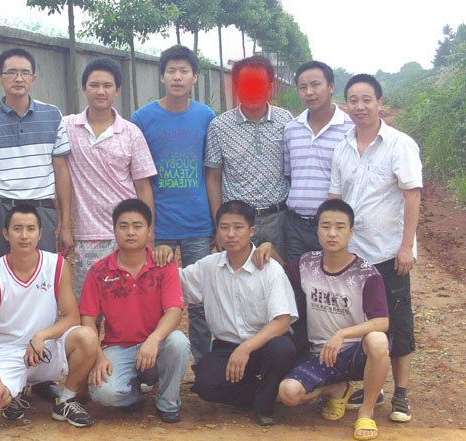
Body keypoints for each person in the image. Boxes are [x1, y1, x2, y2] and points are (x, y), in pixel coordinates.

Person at [152, 200, 298, 426]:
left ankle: (265, 406)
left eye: (238, 227)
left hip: (265, 345)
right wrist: (162, 258)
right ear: (217, 231)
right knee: (205, 383)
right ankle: (264, 392)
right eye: (224, 227)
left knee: (283, 348)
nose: (230, 234)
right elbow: (173, 283)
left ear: (251, 231)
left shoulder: (270, 269)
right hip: (227, 346)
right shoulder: (208, 266)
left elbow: (282, 322)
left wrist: (246, 348)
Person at [255, 199, 390, 440]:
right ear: (317, 230)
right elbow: (282, 274)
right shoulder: (307, 264)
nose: (332, 233)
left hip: (357, 353)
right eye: (325, 226)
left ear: (351, 232)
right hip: (321, 356)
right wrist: (269, 248)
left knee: (378, 340)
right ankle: (335, 389)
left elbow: (382, 322)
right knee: (288, 393)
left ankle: (366, 412)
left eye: (340, 227)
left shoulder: (366, 274)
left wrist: (342, 334)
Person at [330, 74, 422, 422]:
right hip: (355, 254)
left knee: (397, 321)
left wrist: (406, 246)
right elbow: (336, 199)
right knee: (361, 322)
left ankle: (401, 393)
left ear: (379, 103)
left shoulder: (400, 145)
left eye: (367, 99)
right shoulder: (342, 148)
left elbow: (412, 196)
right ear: (346, 105)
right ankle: (373, 386)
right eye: (353, 100)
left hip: (388, 253)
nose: (360, 106)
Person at [0, 205, 97, 427]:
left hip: (44, 348)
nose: (24, 235)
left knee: (87, 337)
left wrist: (41, 335)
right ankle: (15, 391)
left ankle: (66, 401)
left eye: (30, 229)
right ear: (6, 234)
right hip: (8, 351)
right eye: (17, 229)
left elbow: (72, 317)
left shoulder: (56, 265)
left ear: (40, 234)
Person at [131, 45, 215, 368]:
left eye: (184, 71)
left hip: (198, 224)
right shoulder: (143, 118)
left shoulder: (206, 117)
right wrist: (147, 226)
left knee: (200, 299)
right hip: (159, 225)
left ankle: (203, 366)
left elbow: (212, 172)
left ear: (195, 77)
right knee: (154, 297)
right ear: (162, 76)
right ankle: (152, 366)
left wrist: (216, 222)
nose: (177, 77)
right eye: (171, 71)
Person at [79, 199, 190, 423]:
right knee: (105, 394)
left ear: (149, 231)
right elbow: (88, 319)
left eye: (137, 226)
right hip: (118, 347)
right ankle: (133, 395)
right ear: (114, 230)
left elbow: (174, 312)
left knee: (178, 342)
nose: (130, 232)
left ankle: (167, 402)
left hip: (156, 346)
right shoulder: (99, 271)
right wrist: (98, 357)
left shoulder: (163, 266)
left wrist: (154, 339)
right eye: (124, 226)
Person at [0, 47, 73, 269]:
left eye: (25, 72)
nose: (18, 78)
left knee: (43, 277)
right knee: (1, 278)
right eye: (11, 72)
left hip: (41, 210)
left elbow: (62, 171)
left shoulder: (52, 116)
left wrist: (65, 226)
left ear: (33, 78)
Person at [63, 57, 156, 301]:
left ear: (117, 90)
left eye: (107, 85)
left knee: (129, 303)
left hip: (128, 233)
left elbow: (143, 187)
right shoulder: (66, 127)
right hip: (88, 235)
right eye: (94, 85)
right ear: (84, 88)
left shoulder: (131, 133)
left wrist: (149, 231)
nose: (101, 91)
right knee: (89, 306)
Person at [205, 56, 293, 262]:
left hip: (278, 219)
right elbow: (213, 178)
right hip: (237, 223)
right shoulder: (219, 126)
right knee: (238, 275)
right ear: (235, 86)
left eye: (259, 84)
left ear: (270, 86)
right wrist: (220, 225)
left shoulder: (286, 121)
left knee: (280, 273)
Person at [283, 61, 354, 262]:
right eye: (303, 87)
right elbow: (290, 175)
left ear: (331, 86)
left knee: (331, 278)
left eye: (315, 85)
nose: (309, 92)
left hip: (332, 227)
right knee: (295, 278)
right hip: (295, 226)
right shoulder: (291, 128)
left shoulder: (350, 129)